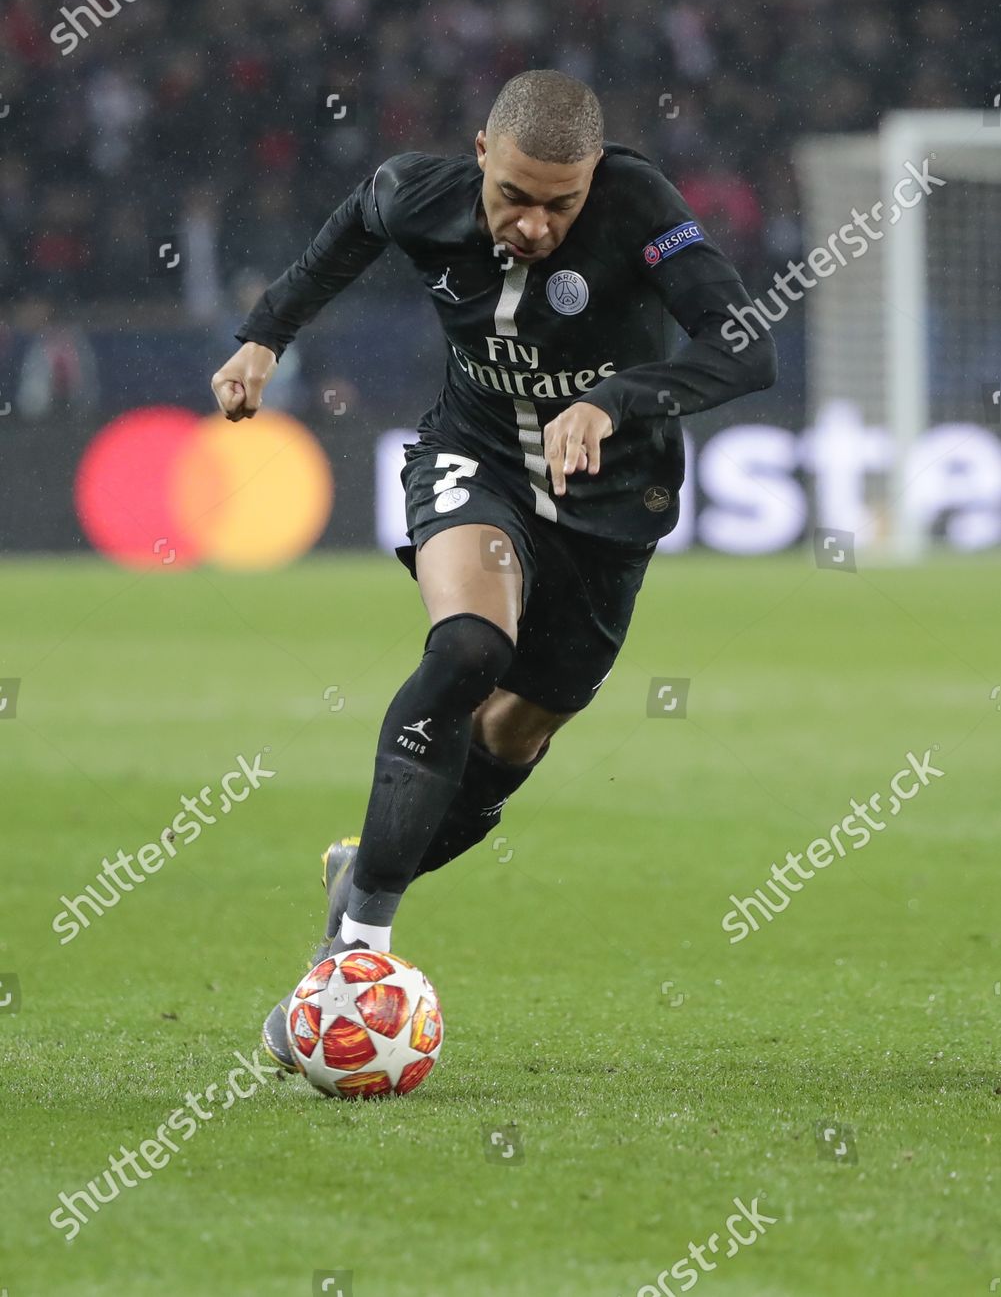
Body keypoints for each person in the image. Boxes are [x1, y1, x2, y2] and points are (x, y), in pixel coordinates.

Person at [210, 69, 777, 1070]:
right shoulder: (418, 194)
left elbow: (742, 346)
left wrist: (614, 398)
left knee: (516, 731)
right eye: (513, 195)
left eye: (559, 203)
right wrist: (264, 335)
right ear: (481, 154)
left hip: (610, 498)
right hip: (471, 456)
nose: (533, 223)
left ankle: (368, 874)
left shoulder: (639, 207)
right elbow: (348, 228)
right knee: (471, 643)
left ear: (593, 176)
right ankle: (354, 953)